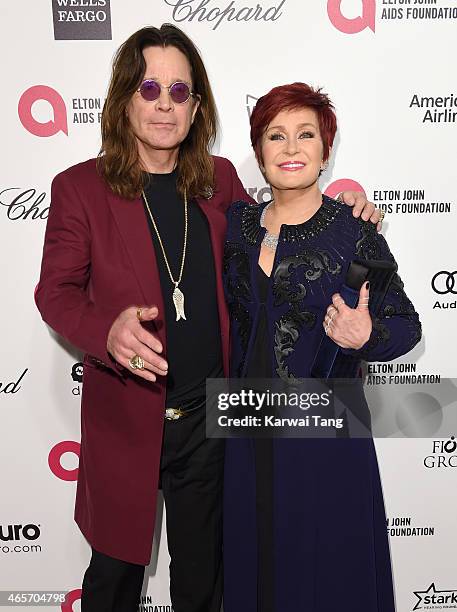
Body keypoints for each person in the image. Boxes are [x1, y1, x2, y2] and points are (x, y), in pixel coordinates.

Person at [35, 25, 381, 612]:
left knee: (204, 585)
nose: (164, 104)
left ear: (197, 107)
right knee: (112, 582)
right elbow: (56, 293)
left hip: (211, 423)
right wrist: (105, 330)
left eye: (180, 90)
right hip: (125, 418)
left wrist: (342, 209)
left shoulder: (218, 180)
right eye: (149, 88)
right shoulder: (78, 189)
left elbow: (282, 231)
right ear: (124, 100)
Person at [222, 82, 422, 612]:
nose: (291, 148)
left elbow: (407, 324)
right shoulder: (234, 227)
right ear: (259, 152)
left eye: (305, 135)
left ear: (324, 151)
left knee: (328, 574)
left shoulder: (354, 232)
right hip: (246, 433)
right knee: (257, 569)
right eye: (276, 136)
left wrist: (367, 336)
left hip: (328, 437)